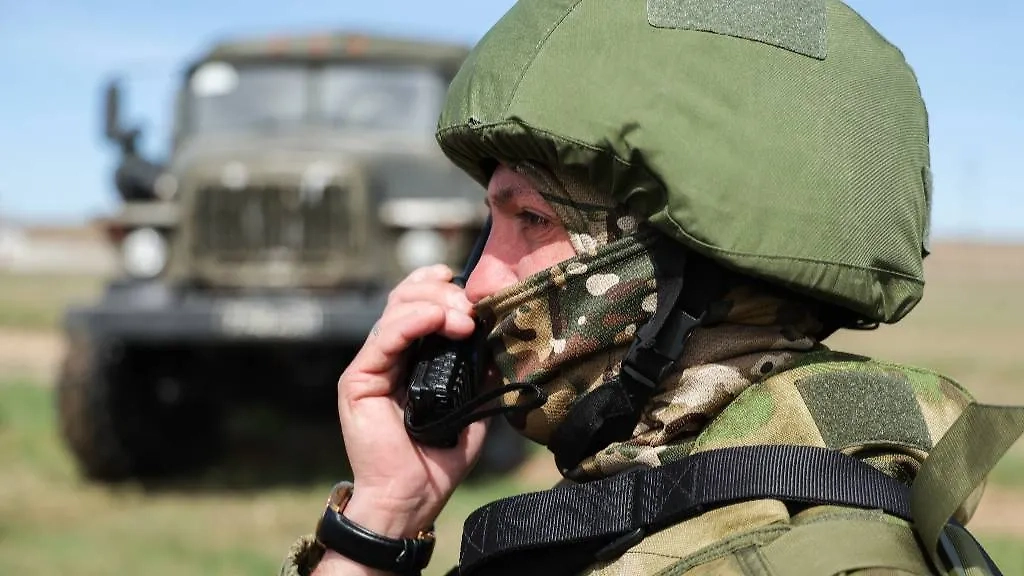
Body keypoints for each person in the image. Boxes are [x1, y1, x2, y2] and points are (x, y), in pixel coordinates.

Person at [282, 1, 1024, 574]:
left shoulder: (786, 555)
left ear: (687, 267)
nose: (476, 282)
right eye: (490, 225)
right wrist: (383, 514)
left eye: (531, 219)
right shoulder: (686, 514)